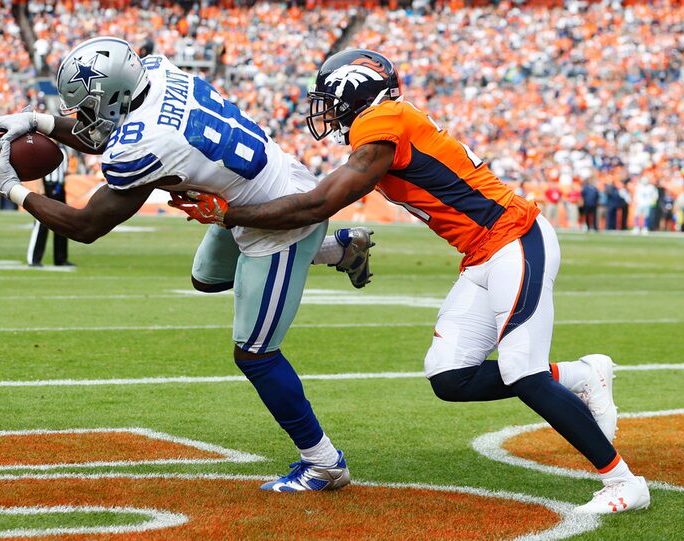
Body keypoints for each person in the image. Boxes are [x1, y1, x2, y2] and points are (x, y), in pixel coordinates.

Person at [171, 49, 650, 513]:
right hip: (483, 253)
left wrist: (232, 212)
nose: (328, 112)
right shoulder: (385, 123)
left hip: (514, 238)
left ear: (354, 91)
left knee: (522, 371)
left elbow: (319, 204)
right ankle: (581, 374)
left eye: (330, 99)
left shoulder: (381, 123)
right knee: (450, 376)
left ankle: (623, 481)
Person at [0, 37, 374, 493]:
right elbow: (108, 127)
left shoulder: (146, 144)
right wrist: (36, 120)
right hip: (259, 182)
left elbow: (86, 225)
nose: (81, 115)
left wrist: (10, 186)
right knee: (206, 279)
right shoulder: (158, 71)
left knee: (255, 354)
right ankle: (340, 250)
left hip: (278, 221)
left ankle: (323, 462)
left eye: (88, 105)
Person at [27, 145, 75, 267]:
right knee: (41, 223)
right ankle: (34, 259)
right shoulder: (44, 147)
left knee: (62, 223)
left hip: (59, 187)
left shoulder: (63, 148)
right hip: (47, 187)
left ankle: (61, 259)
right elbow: (38, 170)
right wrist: (41, 189)